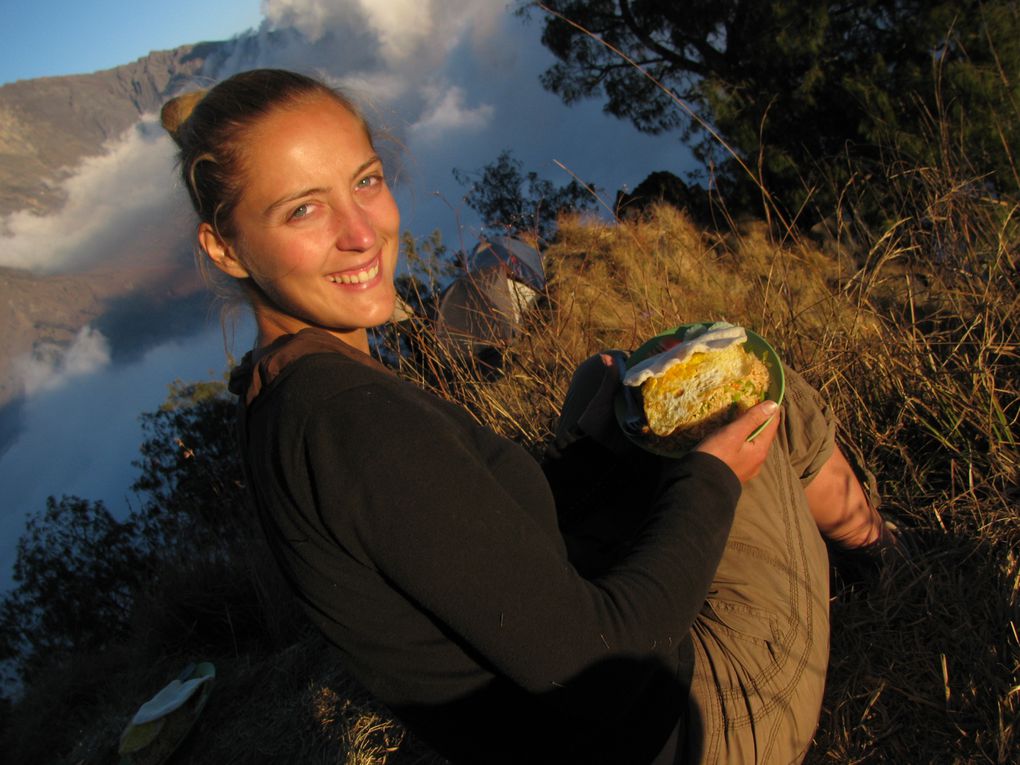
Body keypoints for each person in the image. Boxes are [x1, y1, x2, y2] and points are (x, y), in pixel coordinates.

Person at [161, 68, 893, 764]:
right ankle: (883, 562)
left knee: (670, 391)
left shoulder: (280, 394)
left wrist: (596, 452)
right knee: (759, 389)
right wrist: (710, 479)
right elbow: (597, 663)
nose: (362, 233)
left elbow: (482, 561)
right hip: (702, 729)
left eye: (366, 181)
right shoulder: (351, 422)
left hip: (588, 732)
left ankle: (860, 554)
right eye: (303, 209)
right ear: (224, 248)